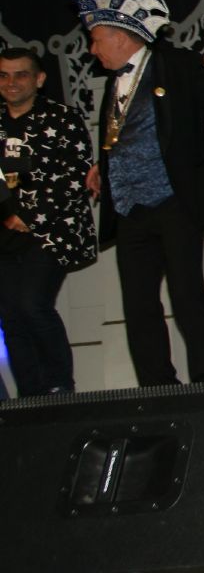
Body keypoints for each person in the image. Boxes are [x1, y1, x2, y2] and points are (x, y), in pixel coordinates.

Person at [68, 0, 204, 386]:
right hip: (130, 209)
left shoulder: (178, 64)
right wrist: (105, 164)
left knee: (188, 296)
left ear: (121, 38)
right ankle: (157, 387)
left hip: (175, 201)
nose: (92, 50)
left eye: (96, 40)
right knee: (138, 305)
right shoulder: (112, 83)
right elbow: (125, 133)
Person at [0, 47, 96, 396]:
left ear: (39, 79)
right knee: (11, 315)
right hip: (4, 235)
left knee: (32, 303)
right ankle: (30, 397)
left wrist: (28, 216)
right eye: (3, 75)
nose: (11, 82)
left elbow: (76, 176)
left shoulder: (63, 119)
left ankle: (59, 387)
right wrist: (7, 215)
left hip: (53, 232)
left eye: (20, 74)